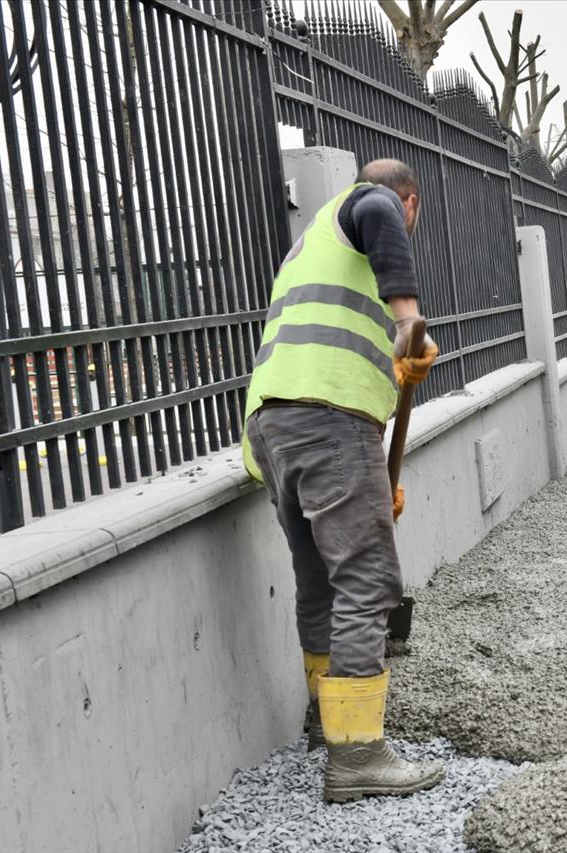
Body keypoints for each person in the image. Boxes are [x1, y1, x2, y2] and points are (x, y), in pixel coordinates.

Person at [241, 159, 443, 803]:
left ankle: (327, 723)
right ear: (410, 204)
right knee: (365, 579)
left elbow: (341, 361)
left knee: (321, 579)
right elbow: (378, 206)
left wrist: (376, 478)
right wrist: (409, 320)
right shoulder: (374, 205)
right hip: (325, 421)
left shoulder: (310, 248)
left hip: (278, 423)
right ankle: (357, 755)